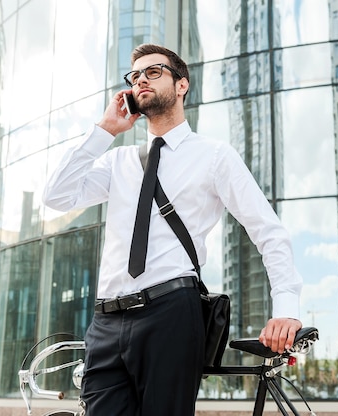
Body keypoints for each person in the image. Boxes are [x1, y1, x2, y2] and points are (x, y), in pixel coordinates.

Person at [42, 43, 303, 415]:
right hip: (106, 322)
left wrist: (287, 308)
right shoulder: (119, 160)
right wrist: (104, 130)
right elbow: (56, 196)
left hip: (170, 313)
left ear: (182, 85)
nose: (141, 80)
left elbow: (268, 230)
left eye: (153, 72)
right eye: (135, 76)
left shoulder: (213, 156)